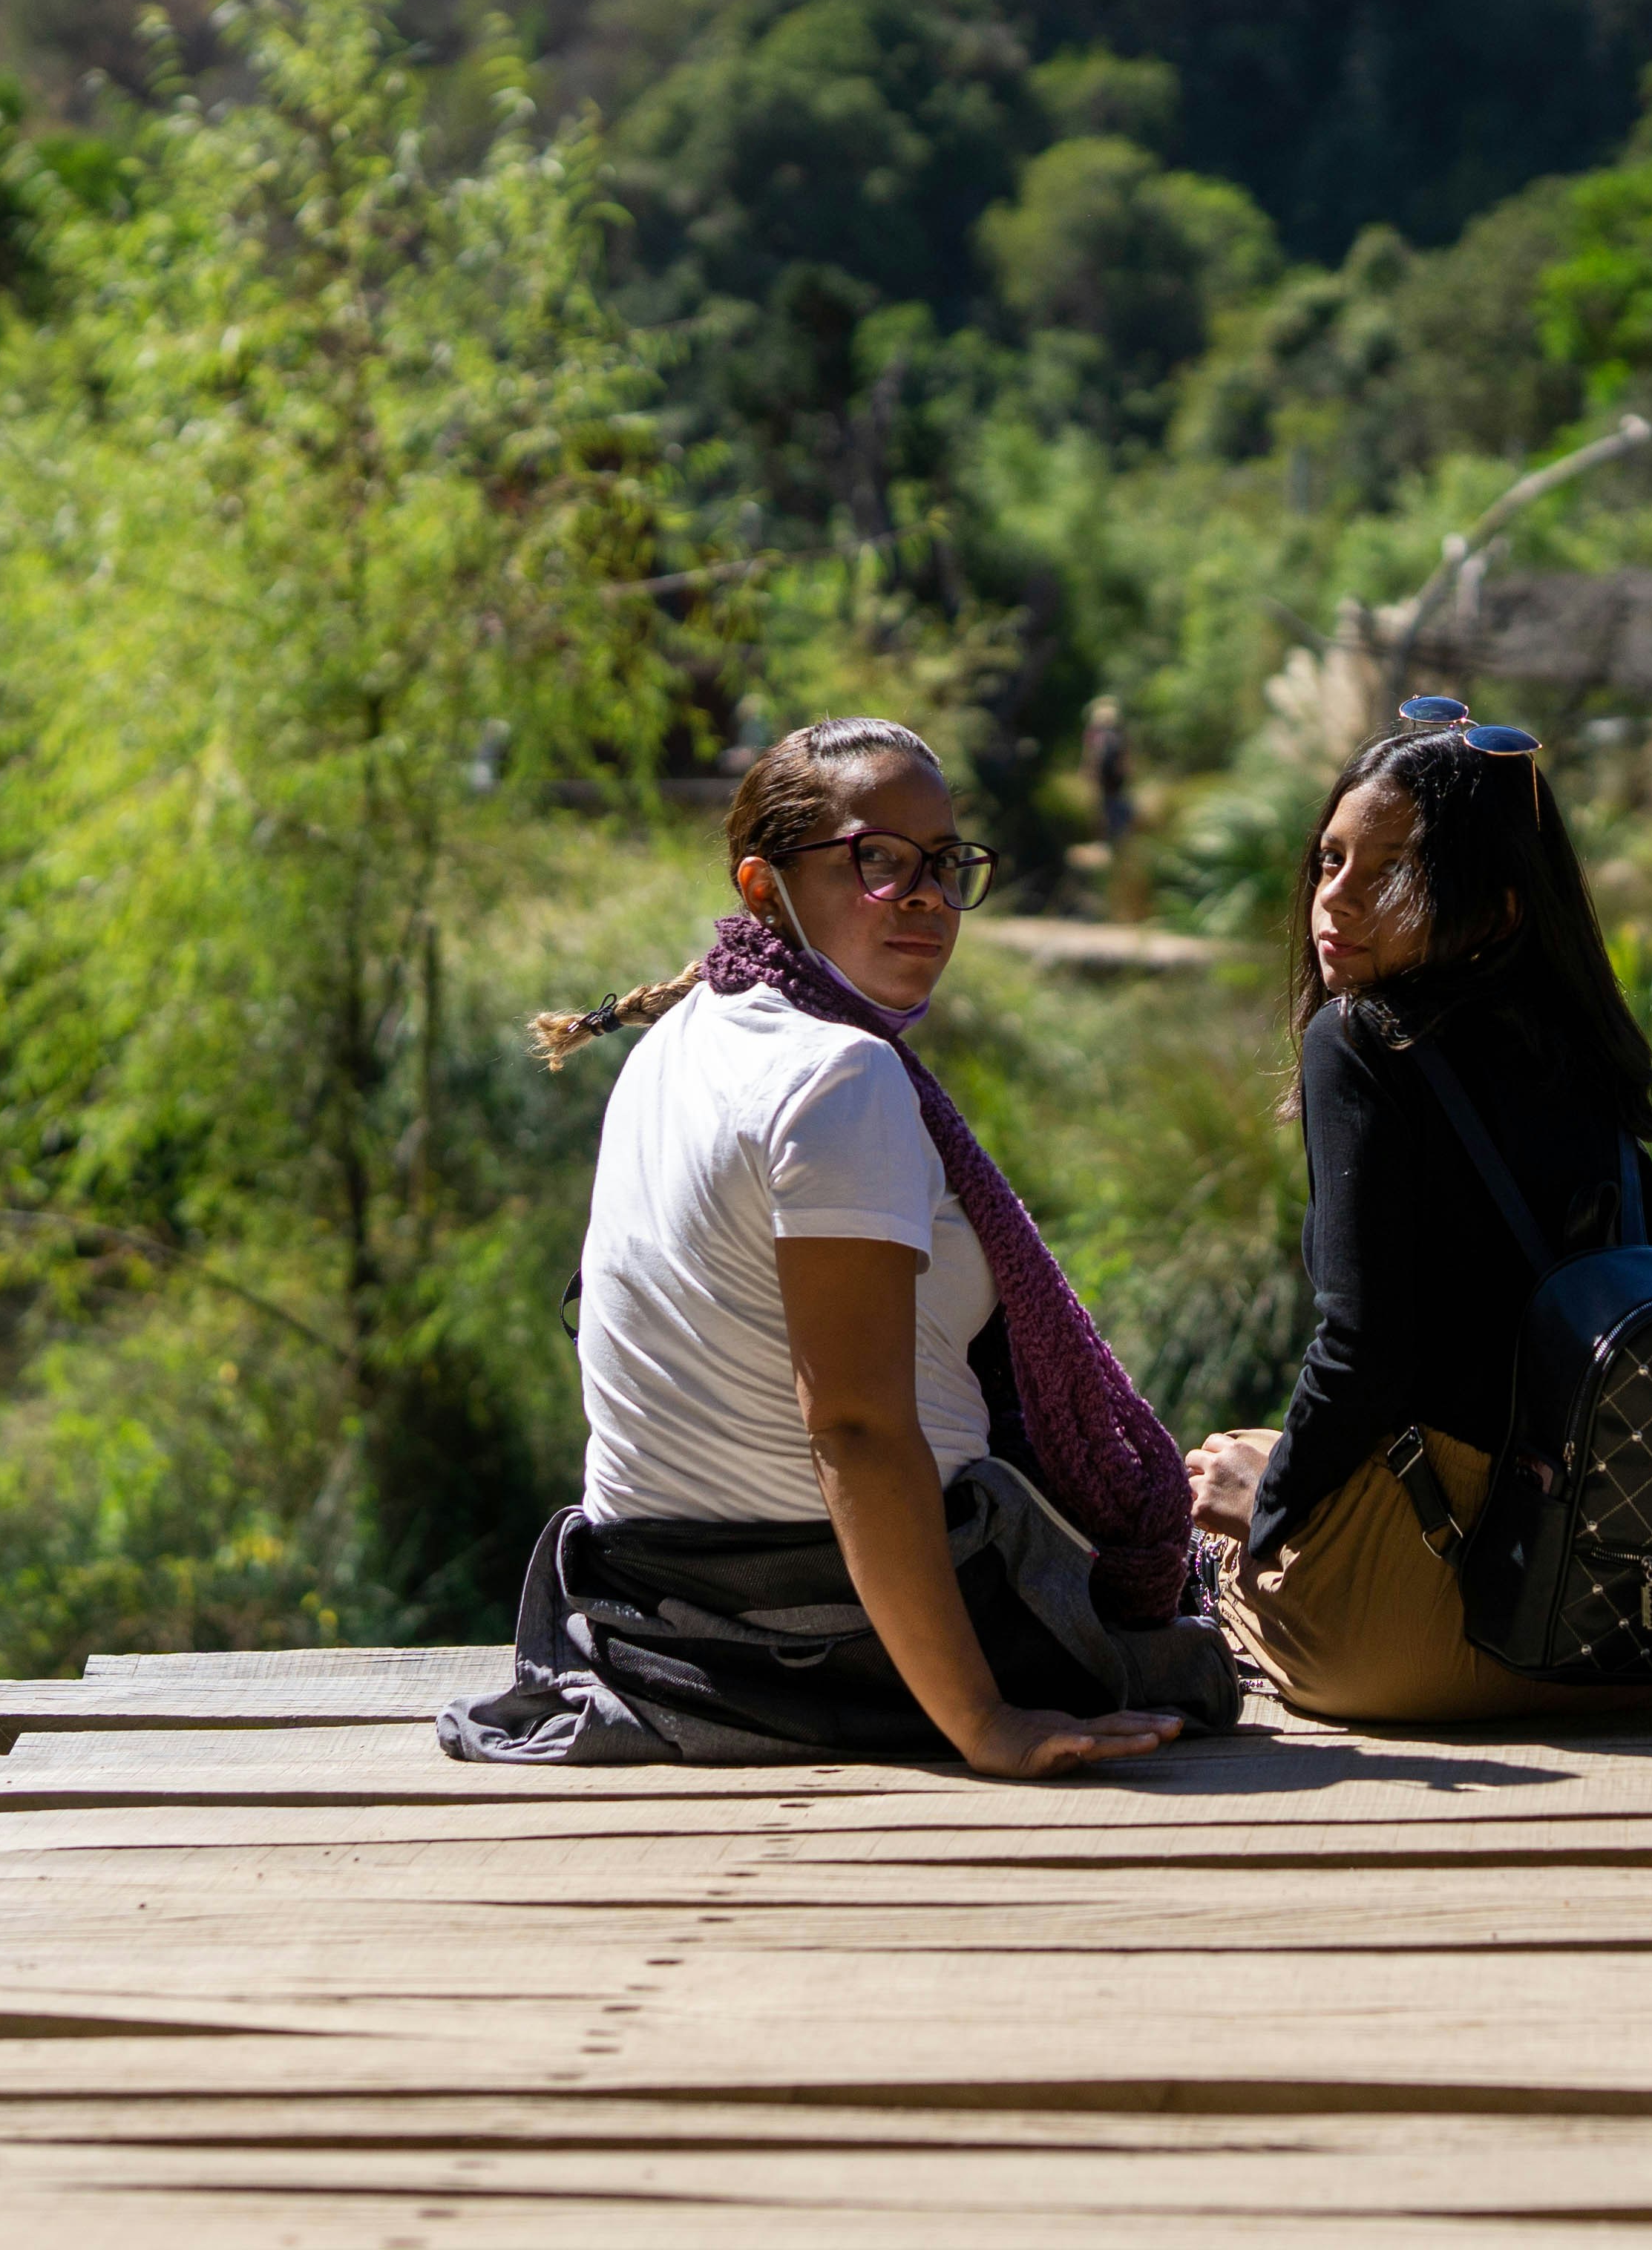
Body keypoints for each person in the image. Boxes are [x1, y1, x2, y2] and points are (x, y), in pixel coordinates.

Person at [441, 717, 1233, 1780]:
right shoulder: (840, 1078)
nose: (923, 896)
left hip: (662, 1617)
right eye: (877, 859)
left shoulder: (674, 1042)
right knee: (1220, 1597)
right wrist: (981, 1720)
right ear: (763, 886)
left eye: (946, 865)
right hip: (845, 1625)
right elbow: (854, 1428)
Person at [1183, 703, 1652, 1725]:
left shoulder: (1364, 1042)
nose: (1336, 901)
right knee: (1262, 1450)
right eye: (1329, 861)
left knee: (1217, 1473)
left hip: (1438, 1639)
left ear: (1497, 910)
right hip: (1650, 1639)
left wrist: (1272, 1509)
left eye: (1387, 873)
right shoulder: (1583, 1061)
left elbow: (1362, 1350)